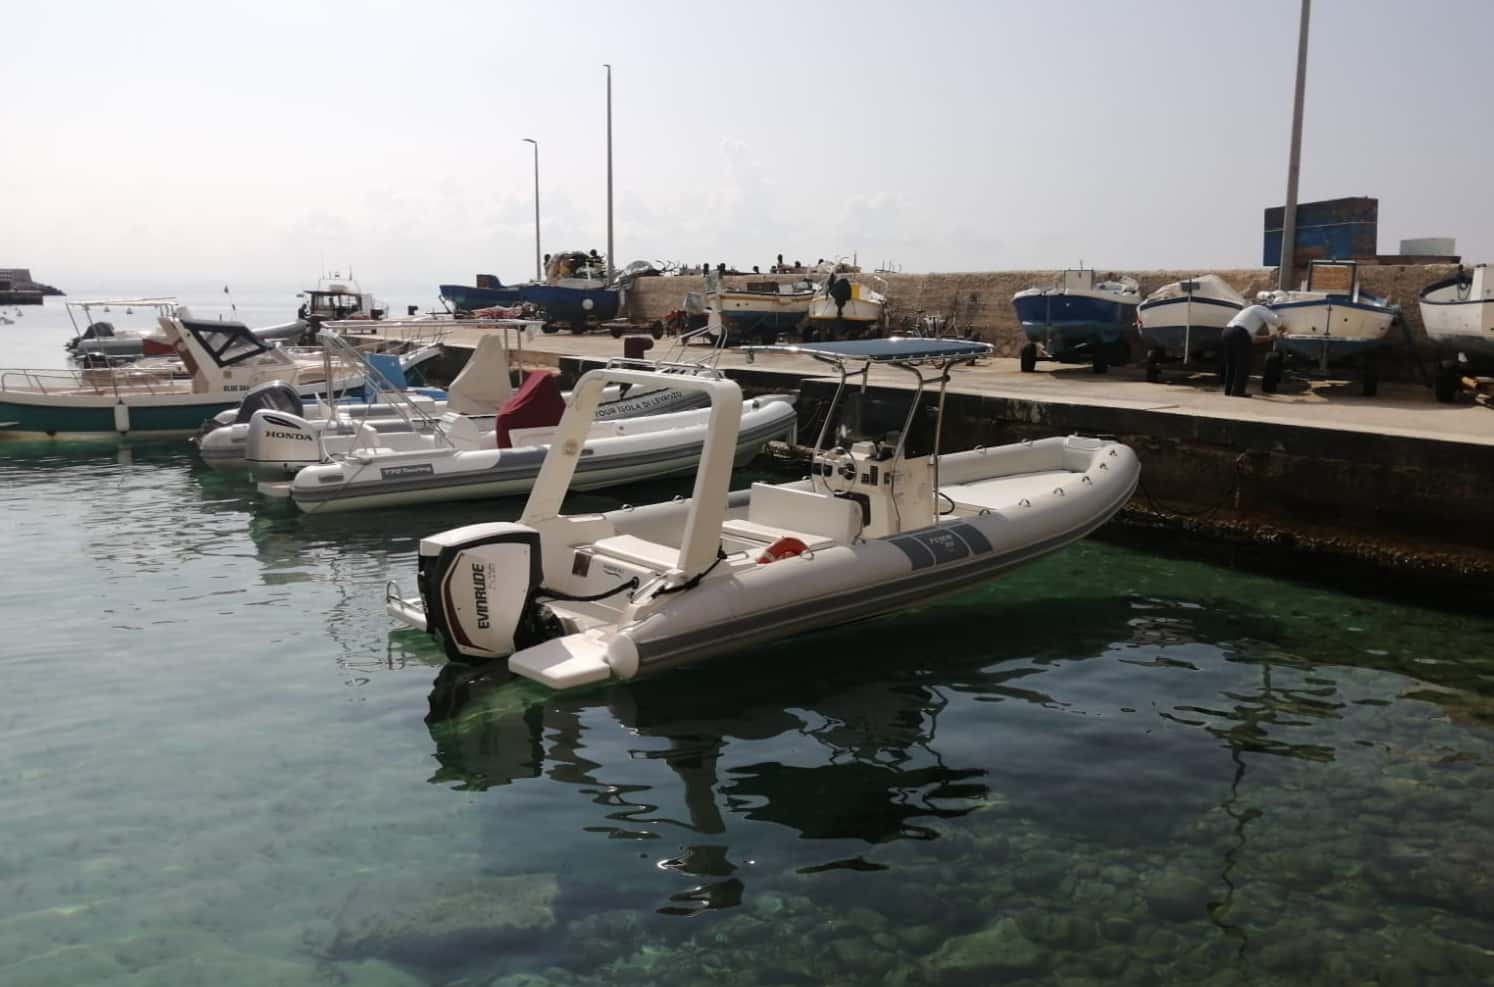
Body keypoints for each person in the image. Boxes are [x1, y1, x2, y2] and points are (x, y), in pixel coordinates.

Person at [1220, 303, 1282, 397]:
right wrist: (1283, 327)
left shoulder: (1247, 313)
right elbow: (1274, 319)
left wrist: (1270, 337)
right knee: (1244, 363)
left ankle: (1228, 391)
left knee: (1231, 363)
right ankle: (1238, 391)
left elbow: (1252, 339)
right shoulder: (1259, 308)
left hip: (1227, 332)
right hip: (1238, 334)